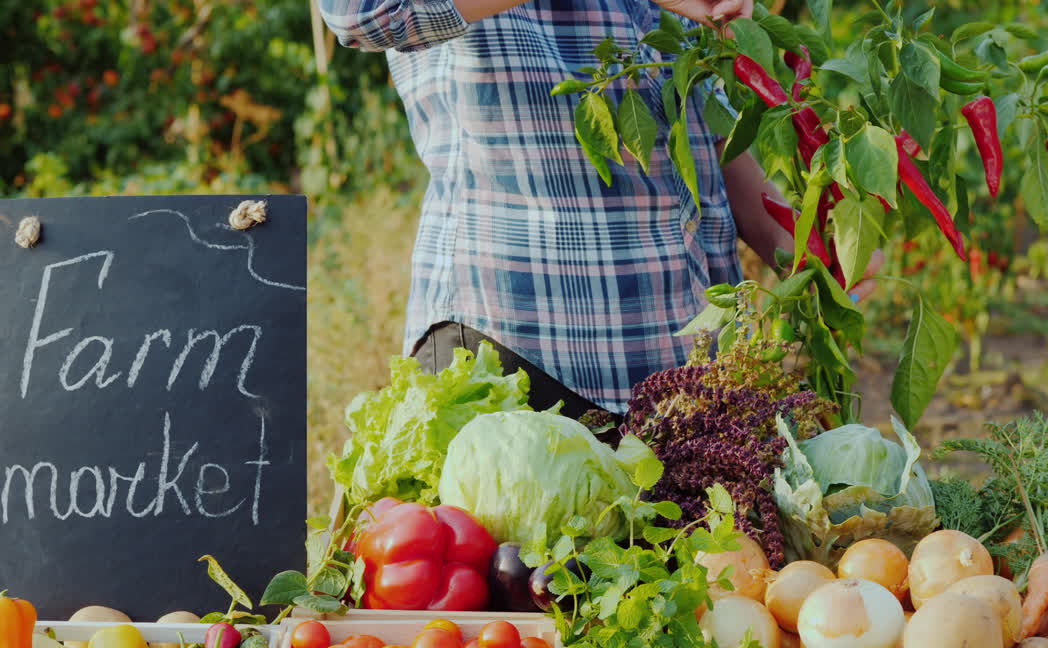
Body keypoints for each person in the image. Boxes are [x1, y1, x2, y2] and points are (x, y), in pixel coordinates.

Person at [318, 0, 883, 420]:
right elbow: (360, 13)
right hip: (515, 357)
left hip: (682, 369)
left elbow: (698, 128)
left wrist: (801, 243)